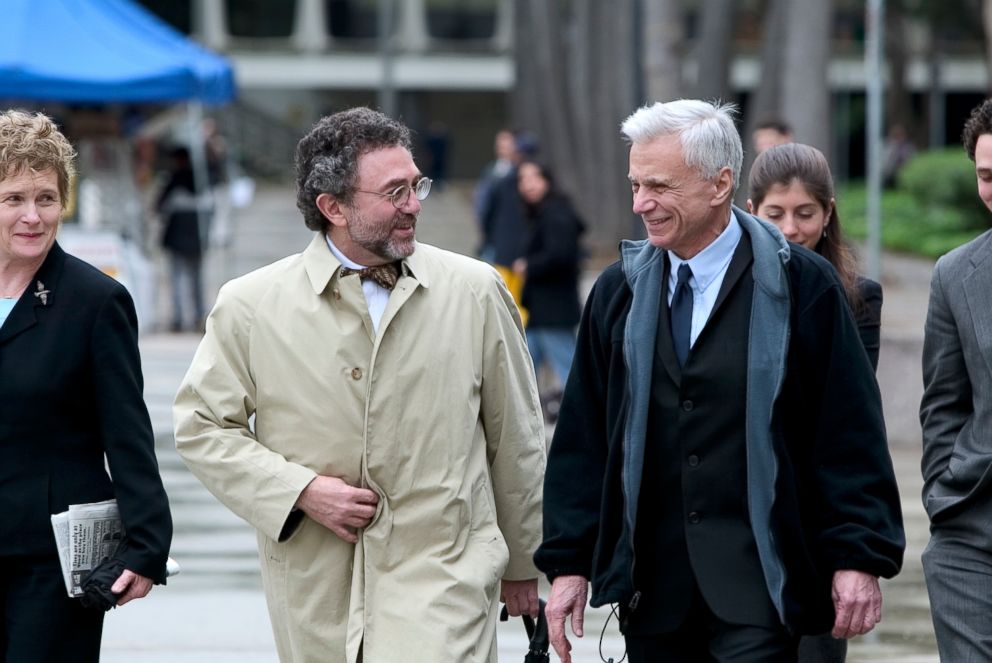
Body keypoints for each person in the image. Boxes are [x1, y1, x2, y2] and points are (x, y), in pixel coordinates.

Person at [535, 99, 905, 663]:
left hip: (763, 587)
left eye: (659, 185)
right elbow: (583, 441)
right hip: (654, 596)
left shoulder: (805, 286)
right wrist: (568, 565)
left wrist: (857, 556)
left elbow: (848, 431)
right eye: (636, 185)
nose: (641, 204)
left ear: (720, 184)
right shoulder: (618, 293)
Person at [173, 107, 546, 663]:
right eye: (395, 191)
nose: (415, 204)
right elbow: (202, 428)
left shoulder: (475, 291)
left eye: (416, 184)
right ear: (333, 207)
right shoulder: (250, 304)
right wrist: (299, 491)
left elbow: (516, 438)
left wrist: (524, 565)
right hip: (315, 592)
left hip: (447, 583)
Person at [0, 110, 173, 661]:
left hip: (48, 563)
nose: (33, 215)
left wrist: (146, 545)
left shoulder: (95, 301)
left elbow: (126, 430)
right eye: (14, 199)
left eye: (46, 198)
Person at [920, 97, 992, 661]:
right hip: (972, 533)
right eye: (987, 176)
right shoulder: (954, 274)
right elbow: (943, 402)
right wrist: (943, 496)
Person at [748, 142, 883, 372]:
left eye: (804, 214)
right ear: (752, 212)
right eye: (775, 215)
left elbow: (853, 395)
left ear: (827, 213)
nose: (789, 228)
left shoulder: (859, 296)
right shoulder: (728, 288)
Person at [513, 160, 583, 421]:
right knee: (523, 365)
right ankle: (523, 414)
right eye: (522, 179)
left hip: (553, 309)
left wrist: (529, 265)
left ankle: (579, 418)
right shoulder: (543, 212)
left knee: (568, 369)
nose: (527, 184)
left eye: (534, 177)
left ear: (547, 181)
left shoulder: (556, 214)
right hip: (541, 309)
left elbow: (561, 255)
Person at [157, 146, 206, 332]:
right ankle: (198, 316)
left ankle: (178, 318)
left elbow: (159, 205)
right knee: (196, 279)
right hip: (197, 238)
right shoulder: (201, 179)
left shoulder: (174, 179)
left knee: (177, 278)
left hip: (176, 237)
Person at [473, 128, 517, 262]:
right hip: (491, 232)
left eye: (506, 145)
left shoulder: (518, 171)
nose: (502, 148)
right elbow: (482, 200)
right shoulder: (491, 170)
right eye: (499, 145)